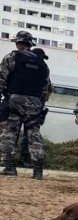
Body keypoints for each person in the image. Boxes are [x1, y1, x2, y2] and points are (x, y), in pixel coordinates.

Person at [0, 31, 51, 179]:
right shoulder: (43, 64)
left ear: (18, 43)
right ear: (30, 44)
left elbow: (1, 79)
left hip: (14, 101)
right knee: (34, 136)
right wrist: (38, 103)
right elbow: (45, 89)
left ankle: (9, 167)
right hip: (34, 104)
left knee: (8, 133)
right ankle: (38, 170)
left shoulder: (11, 57)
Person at [19, 48, 51, 167]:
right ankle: (28, 162)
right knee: (31, 134)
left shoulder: (21, 65)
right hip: (34, 106)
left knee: (12, 133)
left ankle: (10, 161)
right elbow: (46, 92)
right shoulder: (43, 69)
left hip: (16, 103)